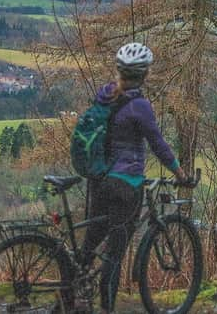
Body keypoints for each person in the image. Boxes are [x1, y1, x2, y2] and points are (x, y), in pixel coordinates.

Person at [79, 42, 186, 314]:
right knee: (115, 254)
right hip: (126, 185)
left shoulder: (105, 95)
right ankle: (106, 309)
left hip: (99, 180)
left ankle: (67, 297)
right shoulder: (140, 106)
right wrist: (179, 172)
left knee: (89, 245)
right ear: (145, 74)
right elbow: (158, 144)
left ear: (119, 71)